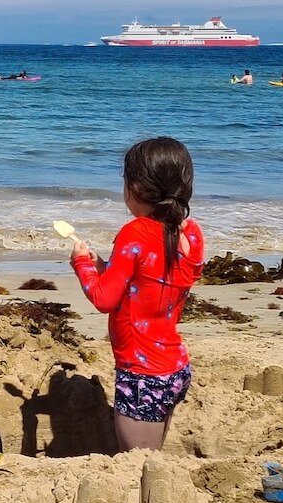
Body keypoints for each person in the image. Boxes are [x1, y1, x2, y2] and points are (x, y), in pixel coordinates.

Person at [69, 137, 204, 452]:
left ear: (136, 188)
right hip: (174, 367)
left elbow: (104, 299)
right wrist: (104, 265)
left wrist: (82, 266)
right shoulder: (191, 233)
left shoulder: (135, 233)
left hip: (143, 375)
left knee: (139, 465)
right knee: (152, 461)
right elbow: (151, 281)